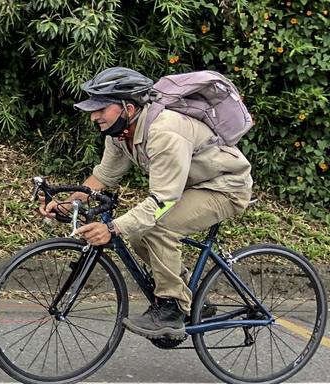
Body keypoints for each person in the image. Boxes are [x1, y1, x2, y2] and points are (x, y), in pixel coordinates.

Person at [39, 67, 253, 339]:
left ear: (127, 107)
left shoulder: (164, 132)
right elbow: (103, 176)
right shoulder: (120, 133)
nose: (94, 116)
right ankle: (193, 297)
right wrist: (67, 205)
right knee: (140, 231)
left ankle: (172, 309)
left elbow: (163, 200)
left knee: (157, 227)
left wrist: (113, 229)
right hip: (190, 186)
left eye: (101, 109)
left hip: (224, 188)